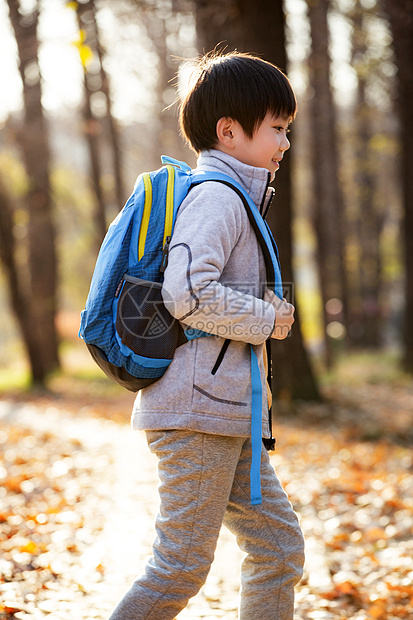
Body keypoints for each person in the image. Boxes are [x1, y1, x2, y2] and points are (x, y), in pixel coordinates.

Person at [108, 51, 305, 620]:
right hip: (197, 413)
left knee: (277, 549)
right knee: (180, 567)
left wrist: (260, 308)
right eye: (277, 128)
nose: (284, 142)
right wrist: (266, 319)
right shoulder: (217, 197)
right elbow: (186, 294)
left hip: (225, 413)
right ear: (229, 130)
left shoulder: (239, 197)